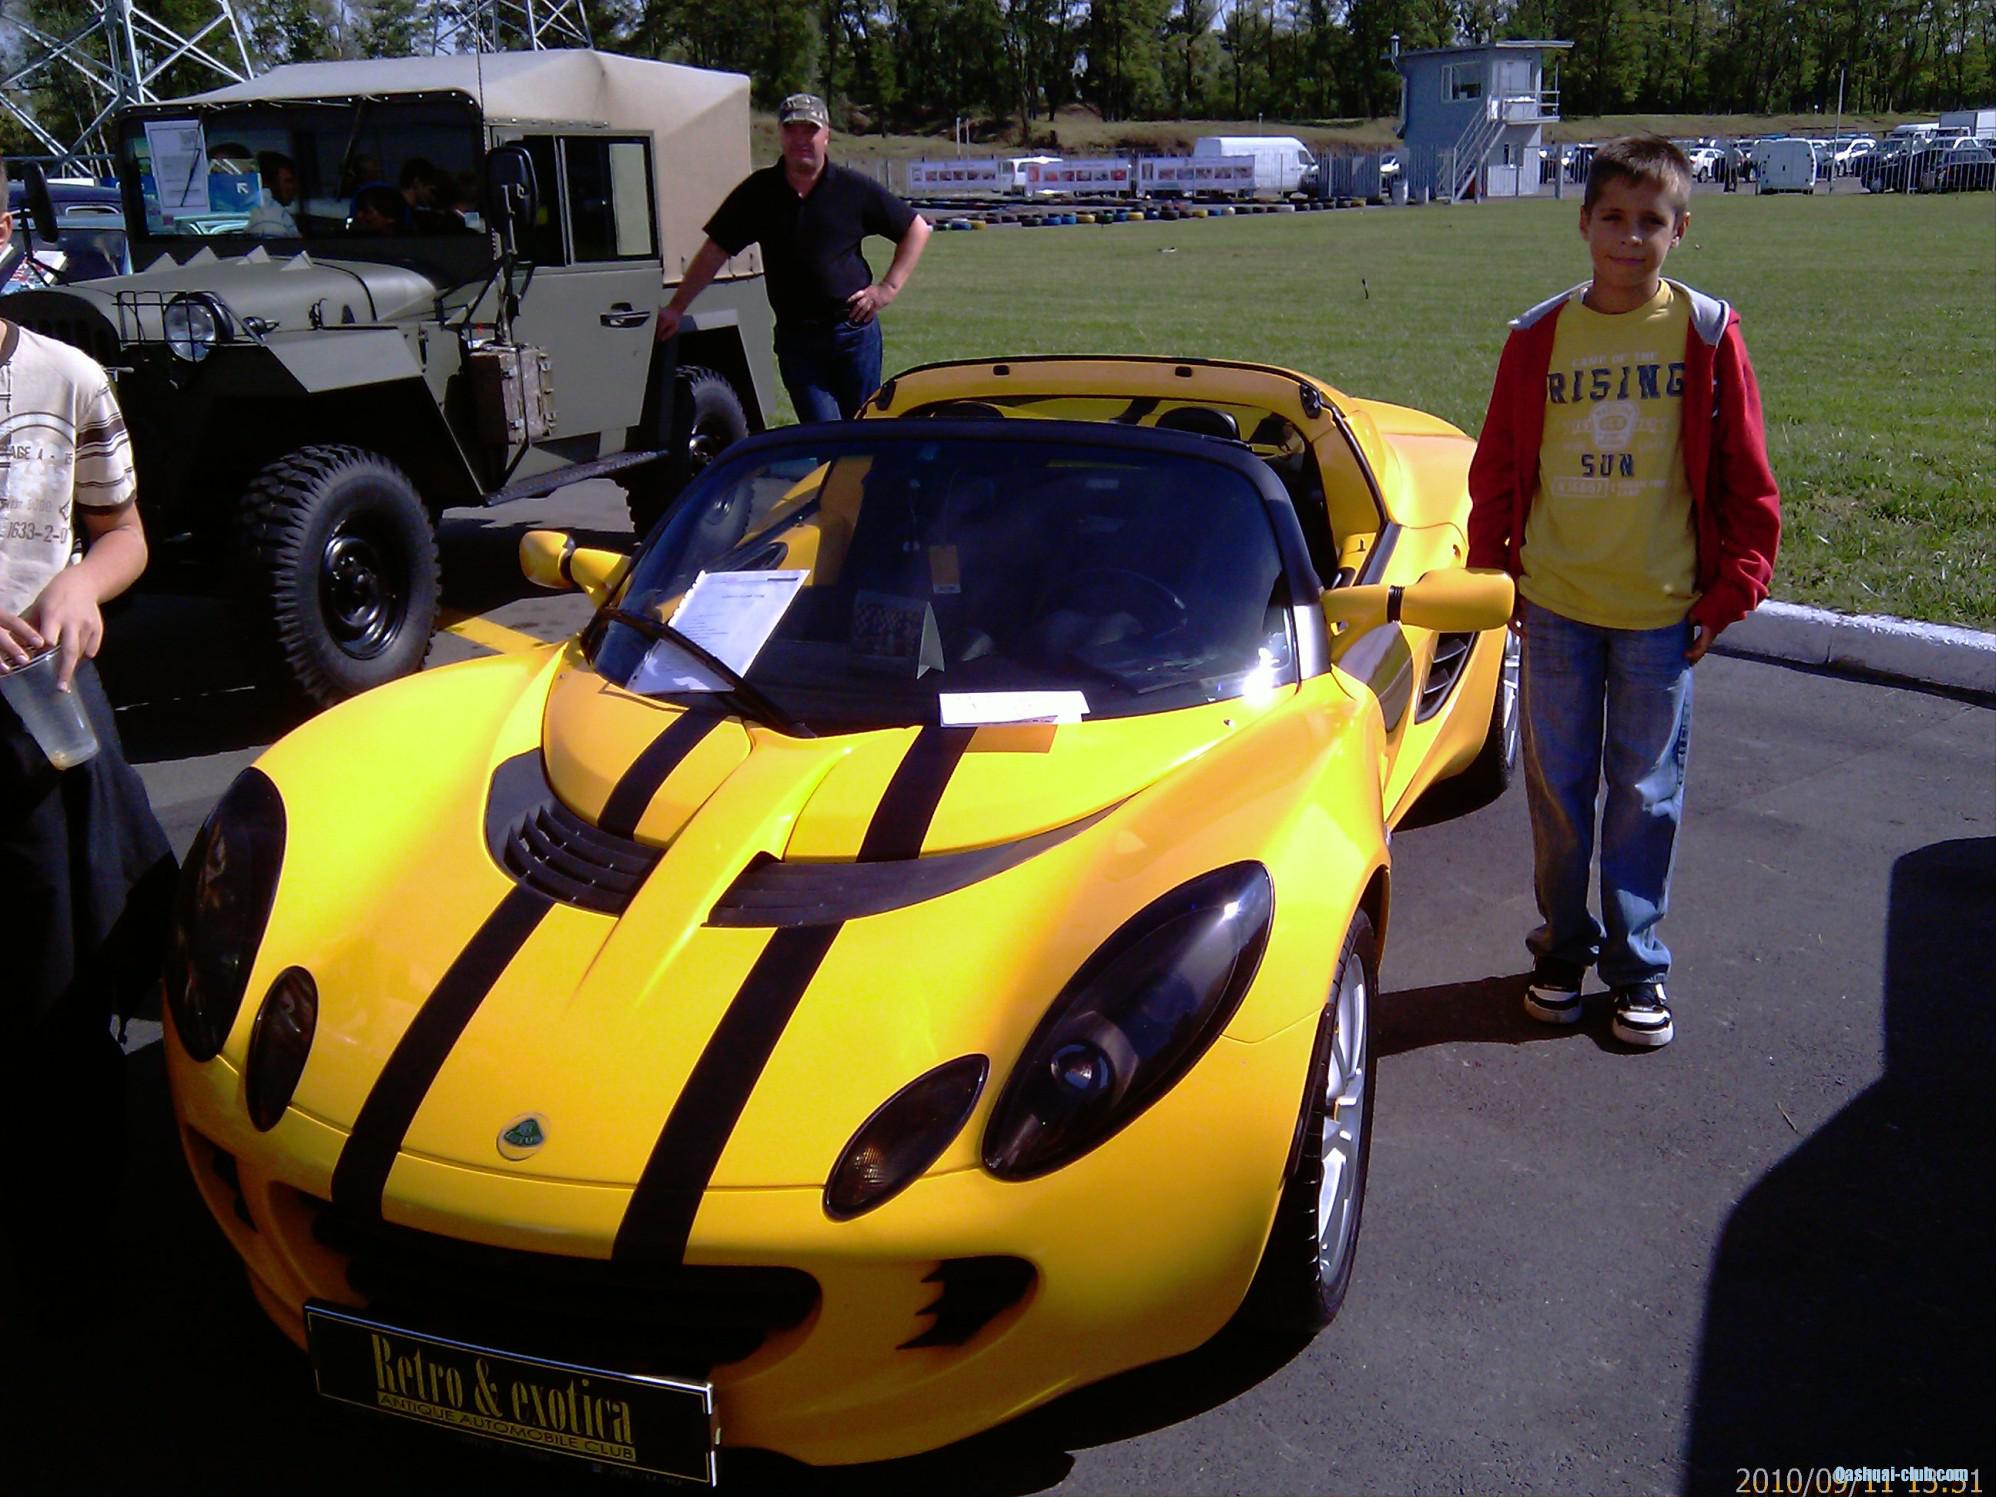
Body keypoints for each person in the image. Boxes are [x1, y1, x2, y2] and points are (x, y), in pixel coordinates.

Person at [1465, 135, 1781, 1050]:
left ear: (1681, 231)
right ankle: (1563, 950)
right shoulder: (1537, 337)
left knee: (1645, 795)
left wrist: (1729, 594)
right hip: (1557, 605)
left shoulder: (1708, 333)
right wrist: (1497, 576)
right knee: (1559, 794)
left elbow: (1747, 478)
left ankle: (1638, 967)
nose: (1630, 237)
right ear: (1583, 224)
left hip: (1661, 615)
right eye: (1613, 217)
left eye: (1651, 221)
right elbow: (1499, 467)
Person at [0, 163, 175, 1311]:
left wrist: (81, 584)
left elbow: (123, 532)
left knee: (61, 985)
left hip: (36, 717)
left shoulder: (67, 378)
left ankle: (66, 1247)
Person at [656, 93, 932, 421]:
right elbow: (715, 251)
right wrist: (677, 307)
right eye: (791, 130)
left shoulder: (852, 189)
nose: (801, 139)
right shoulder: (759, 192)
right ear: (781, 134)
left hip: (852, 334)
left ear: (826, 134)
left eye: (810, 130)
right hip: (797, 341)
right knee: (821, 434)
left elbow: (916, 228)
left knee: (862, 430)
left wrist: (887, 289)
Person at [246, 150, 301, 236]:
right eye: (288, 181)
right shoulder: (269, 218)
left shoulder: (266, 211)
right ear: (268, 182)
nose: (294, 187)